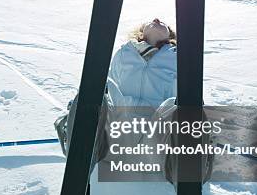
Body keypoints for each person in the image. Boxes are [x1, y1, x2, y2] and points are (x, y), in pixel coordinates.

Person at [55, 18, 177, 169]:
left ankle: (185, 175)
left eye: (163, 23)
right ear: (141, 31)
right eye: (151, 21)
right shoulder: (124, 53)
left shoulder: (177, 59)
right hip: (120, 126)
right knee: (96, 86)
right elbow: (111, 86)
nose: (156, 20)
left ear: (169, 36)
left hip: (156, 130)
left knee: (176, 105)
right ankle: (81, 156)